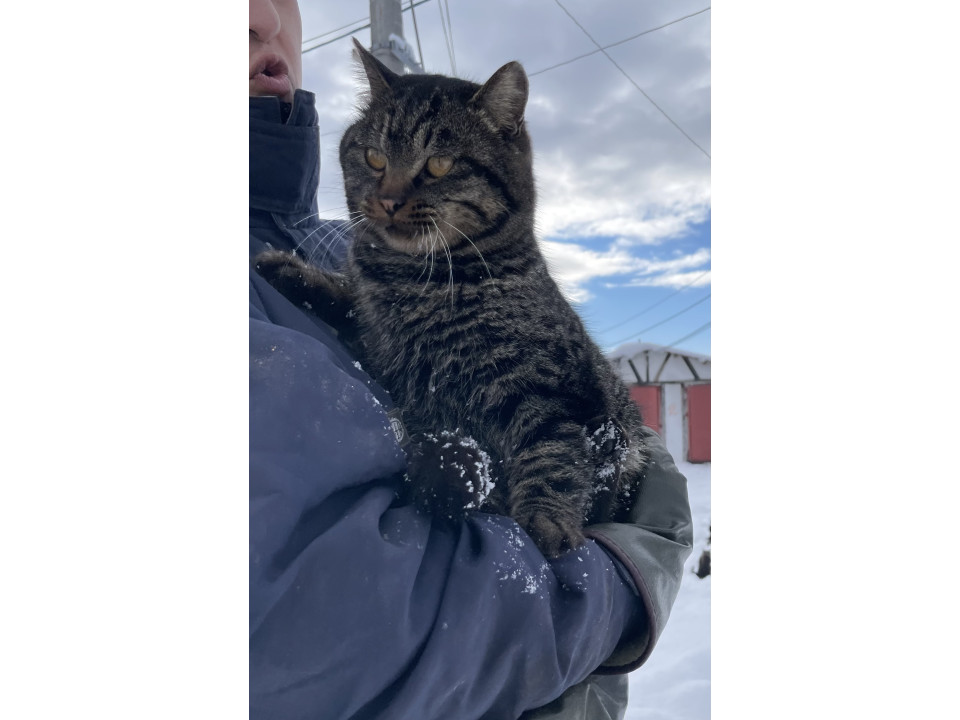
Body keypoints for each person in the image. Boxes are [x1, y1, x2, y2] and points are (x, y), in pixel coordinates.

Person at [248, 1, 694, 718]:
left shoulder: (346, 245)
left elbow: (560, 409)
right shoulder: (348, 255)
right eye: (376, 163)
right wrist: (622, 579)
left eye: (435, 169)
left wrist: (552, 503)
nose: (391, 196)